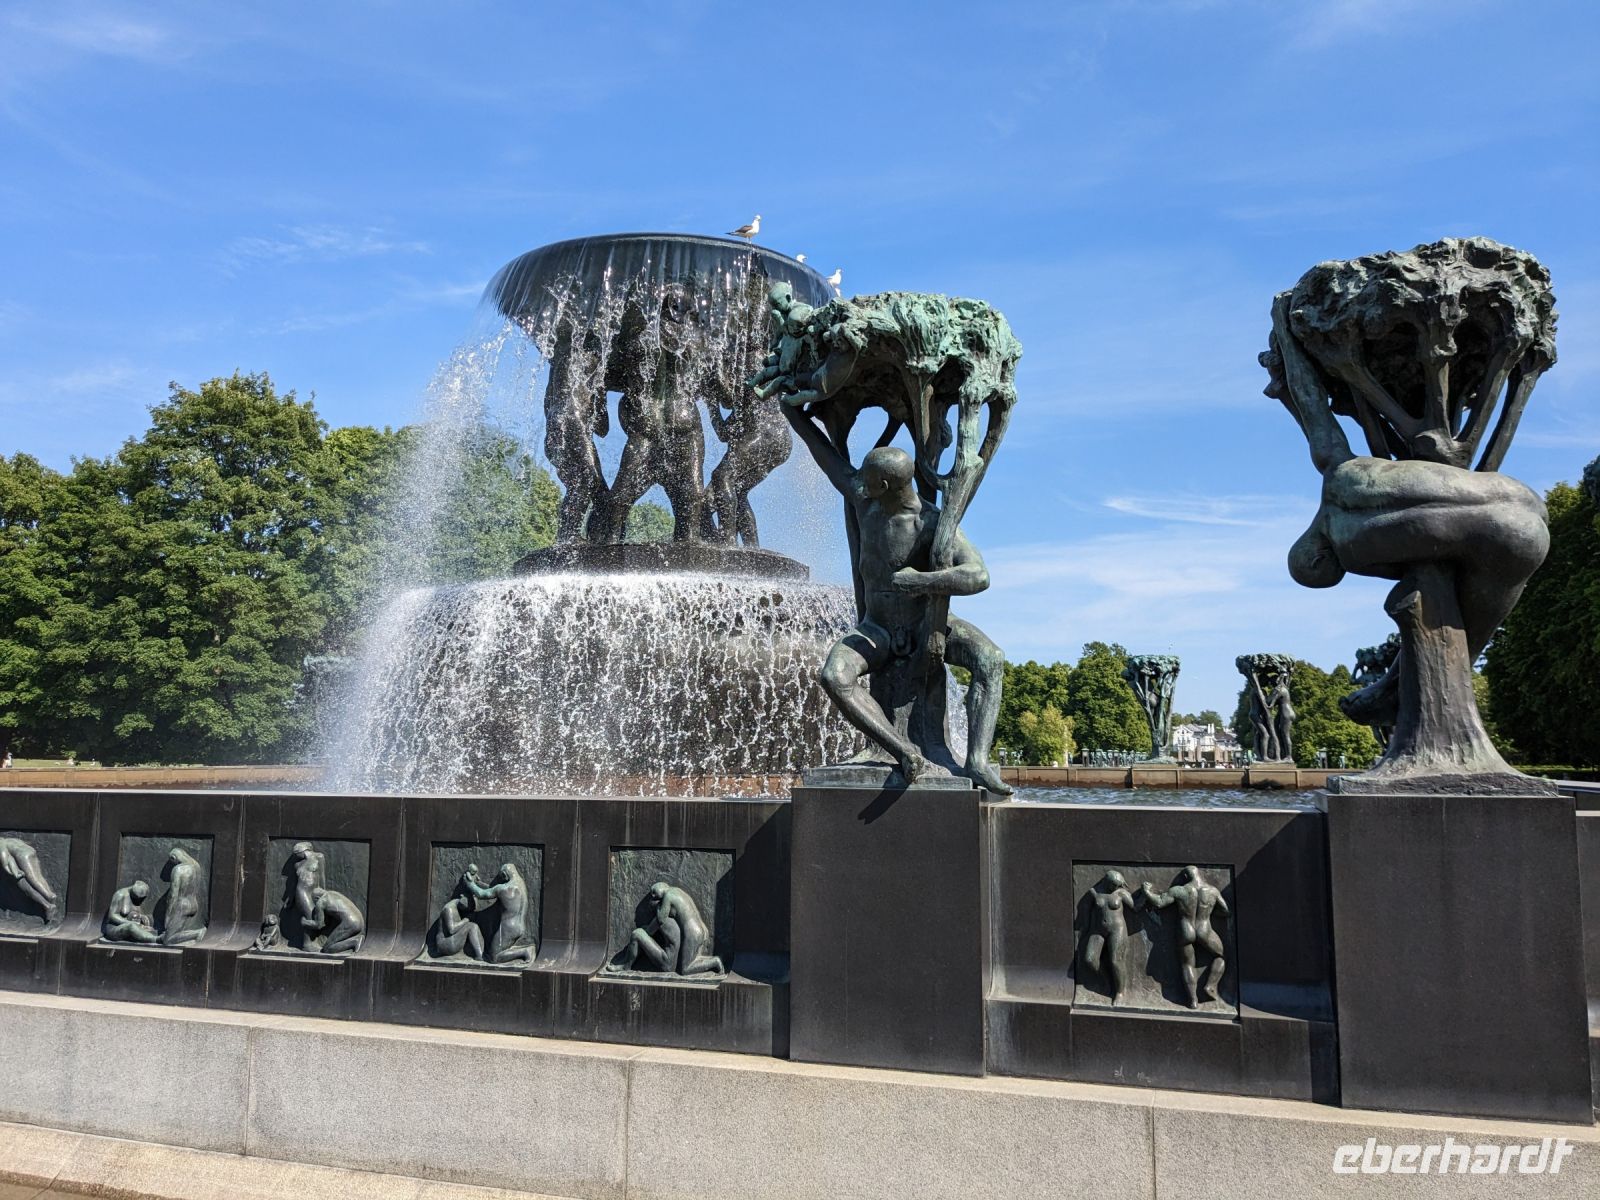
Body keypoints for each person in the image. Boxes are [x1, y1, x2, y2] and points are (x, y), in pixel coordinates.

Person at [782, 404, 1009, 793]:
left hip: (925, 627)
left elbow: (979, 575)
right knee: (834, 676)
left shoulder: (934, 524)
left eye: (868, 482)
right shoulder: (865, 504)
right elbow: (826, 456)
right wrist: (794, 414)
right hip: (878, 630)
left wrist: (926, 580)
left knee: (990, 659)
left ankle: (978, 761)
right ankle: (903, 751)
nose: (859, 485)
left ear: (885, 486)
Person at [1142, 867, 1229, 1008]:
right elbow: (1225, 910)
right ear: (1199, 874)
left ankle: (1193, 1000)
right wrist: (1209, 913)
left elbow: (1159, 902)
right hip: (1205, 929)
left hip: (1185, 929)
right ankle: (1210, 986)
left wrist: (1147, 892)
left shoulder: (1180, 890)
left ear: (1185, 876)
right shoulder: (1213, 891)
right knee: (1221, 956)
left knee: (1187, 964)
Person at [607, 882, 723, 976]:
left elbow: (660, 919)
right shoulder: (677, 892)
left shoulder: (668, 896)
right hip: (700, 930)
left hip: (692, 933)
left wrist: (646, 930)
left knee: (685, 969)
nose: (653, 894)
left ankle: (714, 962)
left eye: (654, 892)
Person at [1082, 870, 1138, 1004]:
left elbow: (1135, 907)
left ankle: (1120, 992)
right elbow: (1086, 914)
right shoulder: (1094, 892)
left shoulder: (1121, 893)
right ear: (1106, 881)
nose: (1115, 888)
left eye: (1118, 885)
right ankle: (1106, 980)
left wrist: (1146, 894)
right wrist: (1085, 930)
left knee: (1116, 961)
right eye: (1113, 884)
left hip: (1117, 930)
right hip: (1098, 930)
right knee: (1089, 959)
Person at [464, 863, 536, 964]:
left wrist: (470, 884)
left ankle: (525, 951)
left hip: (508, 928)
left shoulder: (504, 889)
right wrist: (478, 883)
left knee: (494, 957)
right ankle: (524, 951)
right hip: (520, 926)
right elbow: (493, 889)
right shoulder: (520, 884)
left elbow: (481, 894)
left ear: (504, 874)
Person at [0, 836, 58, 918]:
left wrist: (11, 870)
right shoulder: (7, 840)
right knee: (38, 878)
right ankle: (49, 896)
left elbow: (5, 858)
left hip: (23, 856)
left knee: (34, 879)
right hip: (29, 851)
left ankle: (49, 896)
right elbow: (11, 857)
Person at [162, 847, 206, 946]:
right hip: (193, 904)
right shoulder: (196, 866)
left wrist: (168, 916)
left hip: (182, 905)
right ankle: (192, 938)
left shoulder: (178, 869)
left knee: (167, 940)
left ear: (173, 858)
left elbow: (173, 894)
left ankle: (197, 933)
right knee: (177, 932)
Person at [308, 887, 365, 955]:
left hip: (351, 923)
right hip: (360, 920)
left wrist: (305, 922)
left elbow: (319, 925)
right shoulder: (333, 893)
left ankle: (355, 941)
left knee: (327, 948)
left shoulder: (320, 902)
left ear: (316, 898)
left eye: (314, 901)